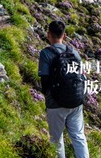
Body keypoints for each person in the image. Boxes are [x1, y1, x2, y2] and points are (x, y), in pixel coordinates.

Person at [38, 20, 89, 158]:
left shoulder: (46, 53)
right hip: (76, 100)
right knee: (79, 137)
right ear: (64, 36)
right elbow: (82, 76)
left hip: (56, 103)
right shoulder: (74, 53)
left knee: (56, 139)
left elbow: (45, 80)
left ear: (48, 34)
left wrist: (49, 97)